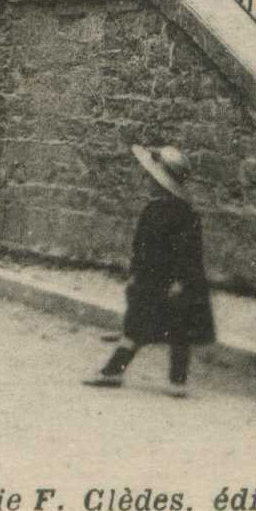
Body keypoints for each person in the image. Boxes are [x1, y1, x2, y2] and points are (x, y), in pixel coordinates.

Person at [83, 145, 214, 397]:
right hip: (152, 278)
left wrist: (179, 280)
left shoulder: (180, 214)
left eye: (152, 178)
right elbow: (142, 250)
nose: (148, 182)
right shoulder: (160, 210)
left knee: (169, 331)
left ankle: (170, 380)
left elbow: (188, 253)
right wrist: (136, 275)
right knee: (147, 328)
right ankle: (117, 372)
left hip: (168, 280)